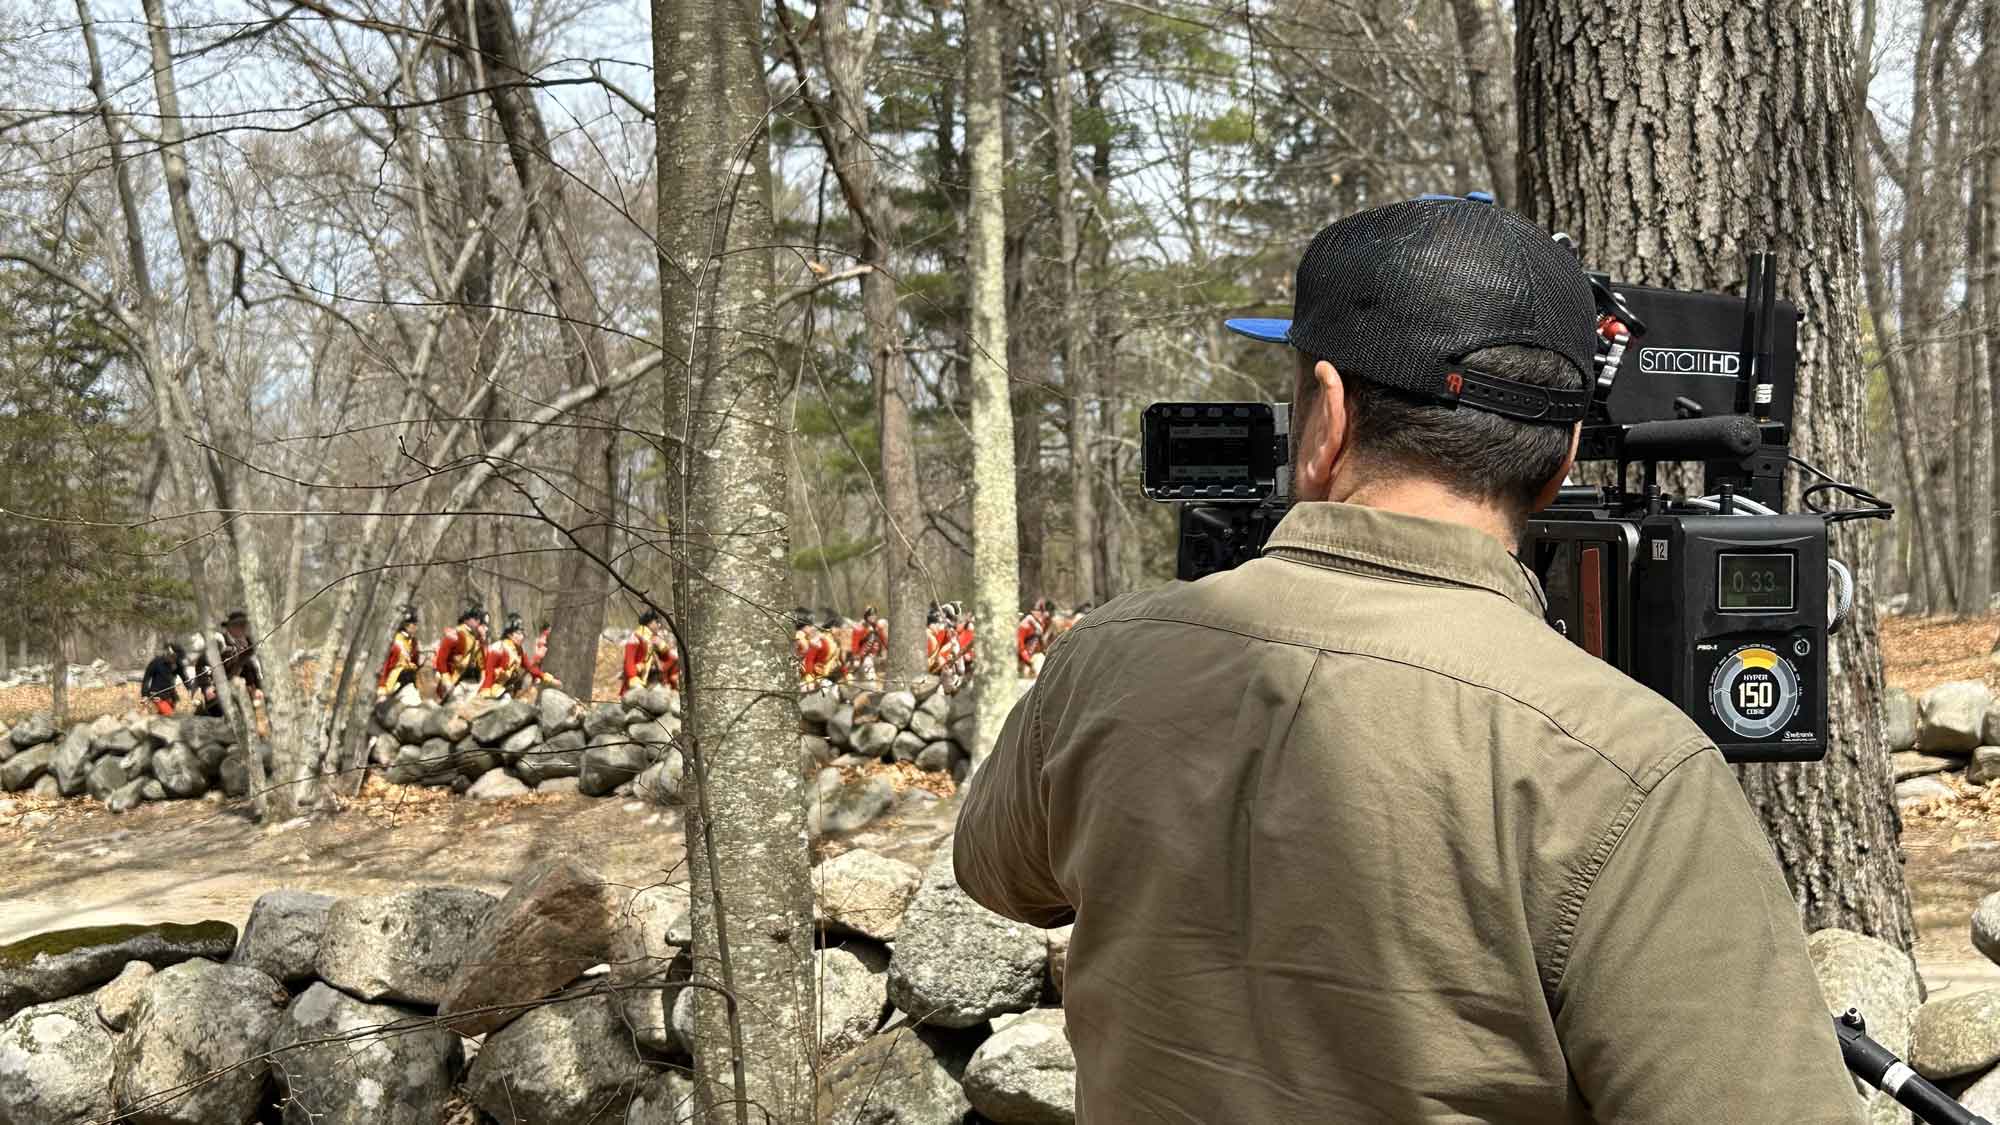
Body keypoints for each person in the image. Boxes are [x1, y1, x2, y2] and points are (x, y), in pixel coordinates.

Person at [953, 198, 1859, 1124]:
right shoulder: (1620, 765)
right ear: (1558, 462)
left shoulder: (1102, 662)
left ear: (1326, 420)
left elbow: (995, 872)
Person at [187, 610, 266, 718]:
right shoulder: (219, 641)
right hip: (217, 691)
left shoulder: (250, 644)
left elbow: (251, 667)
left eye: (243, 625)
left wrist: (257, 687)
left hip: (242, 691)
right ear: (229, 627)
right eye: (237, 625)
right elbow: (202, 664)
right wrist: (207, 687)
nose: (241, 628)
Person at [479, 615, 559, 699]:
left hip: (505, 687)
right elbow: (489, 669)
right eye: (518, 633)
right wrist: (486, 689)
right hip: (489, 687)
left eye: (522, 633)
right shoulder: (498, 647)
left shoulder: (519, 650)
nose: (522, 637)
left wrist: (546, 677)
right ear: (510, 634)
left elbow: (530, 667)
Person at [432, 605, 488, 702]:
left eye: (479, 619)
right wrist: (447, 681)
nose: (478, 621)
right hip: (456, 682)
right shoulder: (455, 634)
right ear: (466, 619)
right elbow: (441, 660)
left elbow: (483, 664)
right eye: (475, 618)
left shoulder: (478, 638)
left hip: (473, 682)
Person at [622, 609, 680, 699]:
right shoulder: (636, 638)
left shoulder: (655, 638)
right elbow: (629, 662)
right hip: (638, 681)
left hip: (654, 681)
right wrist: (633, 677)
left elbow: (668, 658)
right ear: (649, 623)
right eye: (656, 622)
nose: (659, 625)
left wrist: (663, 648)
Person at [376, 605, 423, 698]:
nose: (416, 628)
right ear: (405, 625)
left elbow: (415, 661)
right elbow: (385, 665)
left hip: (409, 677)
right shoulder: (394, 641)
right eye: (413, 624)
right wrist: (381, 685)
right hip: (393, 679)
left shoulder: (413, 642)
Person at [141, 640, 190, 716]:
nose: (173, 659)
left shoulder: (178, 664)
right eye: (172, 656)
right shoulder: (156, 662)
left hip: (171, 696)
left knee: (163, 718)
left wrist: (189, 688)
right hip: (157, 695)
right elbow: (146, 679)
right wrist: (144, 695)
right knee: (169, 715)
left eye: (175, 658)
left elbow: (185, 678)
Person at [850, 604, 888, 685]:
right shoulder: (859, 628)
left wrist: (890, 650)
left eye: (874, 615)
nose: (873, 617)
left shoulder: (877, 627)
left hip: (876, 656)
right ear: (866, 616)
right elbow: (855, 645)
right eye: (871, 615)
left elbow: (884, 641)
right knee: (870, 678)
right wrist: (856, 658)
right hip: (864, 657)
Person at [1014, 598, 1052, 678]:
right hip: (1024, 661)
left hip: (1036, 656)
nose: (1041, 614)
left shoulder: (1039, 624)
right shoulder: (1024, 626)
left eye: (1042, 611)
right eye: (1038, 611)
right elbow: (1020, 647)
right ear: (1032, 612)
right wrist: (1030, 663)